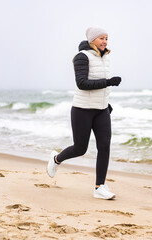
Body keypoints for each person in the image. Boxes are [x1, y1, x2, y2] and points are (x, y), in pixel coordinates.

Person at [46, 27, 121, 200]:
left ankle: (99, 187)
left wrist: (105, 103)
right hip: (82, 110)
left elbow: (99, 86)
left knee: (104, 146)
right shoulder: (82, 57)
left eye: (107, 39)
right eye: (101, 38)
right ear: (92, 40)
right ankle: (56, 159)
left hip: (101, 110)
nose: (105, 42)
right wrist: (108, 82)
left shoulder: (106, 57)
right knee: (80, 148)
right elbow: (82, 83)